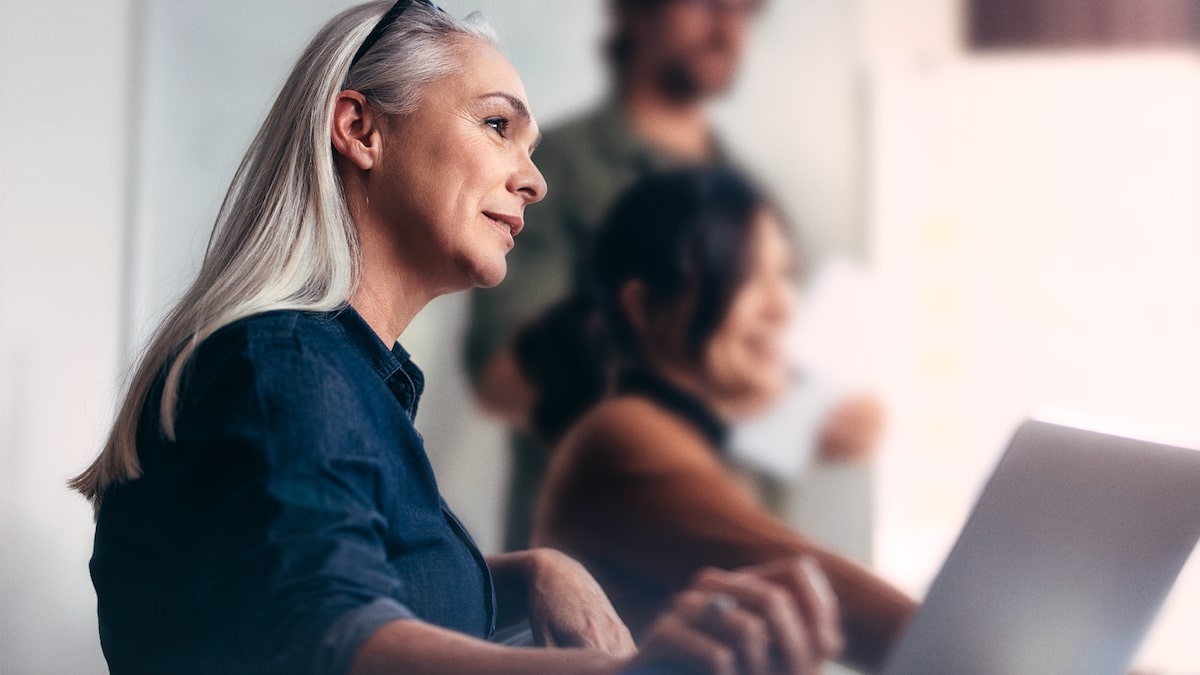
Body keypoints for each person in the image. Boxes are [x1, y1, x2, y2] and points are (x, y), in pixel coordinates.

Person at [68, 3, 842, 673]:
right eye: (497, 125)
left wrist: (528, 573)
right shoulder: (283, 372)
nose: (532, 179)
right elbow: (325, 640)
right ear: (360, 128)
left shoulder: (343, 382)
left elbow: (364, 580)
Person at [464, 0, 883, 554]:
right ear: (637, 12)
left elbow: (776, 359)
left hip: (746, 578)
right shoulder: (550, 171)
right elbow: (504, 375)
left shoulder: (748, 191)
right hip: (600, 579)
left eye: (746, 11)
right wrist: (737, 387)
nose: (729, 27)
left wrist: (814, 411)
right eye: (709, 4)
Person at [517, 167, 916, 673]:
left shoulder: (692, 438)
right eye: (747, 275)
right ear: (645, 308)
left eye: (784, 274)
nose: (781, 306)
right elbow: (823, 591)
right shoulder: (622, 432)